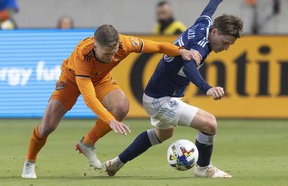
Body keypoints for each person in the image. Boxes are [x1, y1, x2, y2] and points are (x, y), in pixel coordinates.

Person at [104, 0, 243, 178]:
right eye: (226, 42)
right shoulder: (201, 47)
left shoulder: (204, 25)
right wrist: (207, 88)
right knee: (210, 123)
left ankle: (115, 163)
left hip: (158, 95)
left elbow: (208, 11)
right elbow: (188, 67)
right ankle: (203, 169)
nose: (226, 47)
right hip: (161, 100)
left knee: (163, 134)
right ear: (215, 33)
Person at [21, 24, 201, 178]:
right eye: (106, 53)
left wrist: (180, 51)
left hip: (100, 79)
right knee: (48, 126)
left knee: (121, 106)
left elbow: (158, 46)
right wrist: (110, 120)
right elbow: (89, 97)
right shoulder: (83, 55)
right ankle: (30, 161)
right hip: (71, 80)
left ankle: (87, 143)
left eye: (114, 51)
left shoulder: (125, 43)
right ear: (95, 45)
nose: (111, 57)